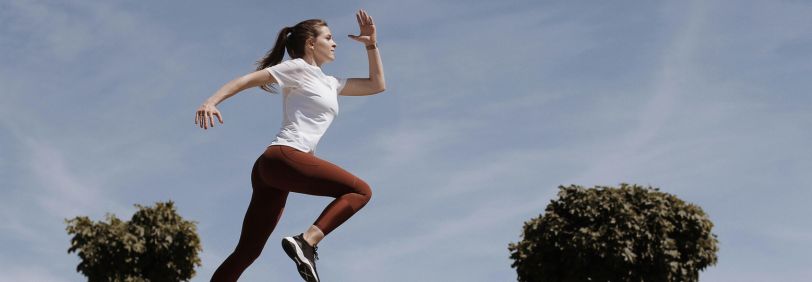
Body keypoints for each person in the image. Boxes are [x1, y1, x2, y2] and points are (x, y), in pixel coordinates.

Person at [196, 9, 385, 282]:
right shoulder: (298, 68)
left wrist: (371, 44)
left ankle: (304, 244)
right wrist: (210, 101)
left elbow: (377, 84)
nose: (335, 43)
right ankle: (306, 242)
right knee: (360, 191)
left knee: (248, 252)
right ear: (311, 43)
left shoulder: (331, 83)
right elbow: (248, 80)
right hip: (284, 156)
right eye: (328, 38)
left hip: (273, 170)